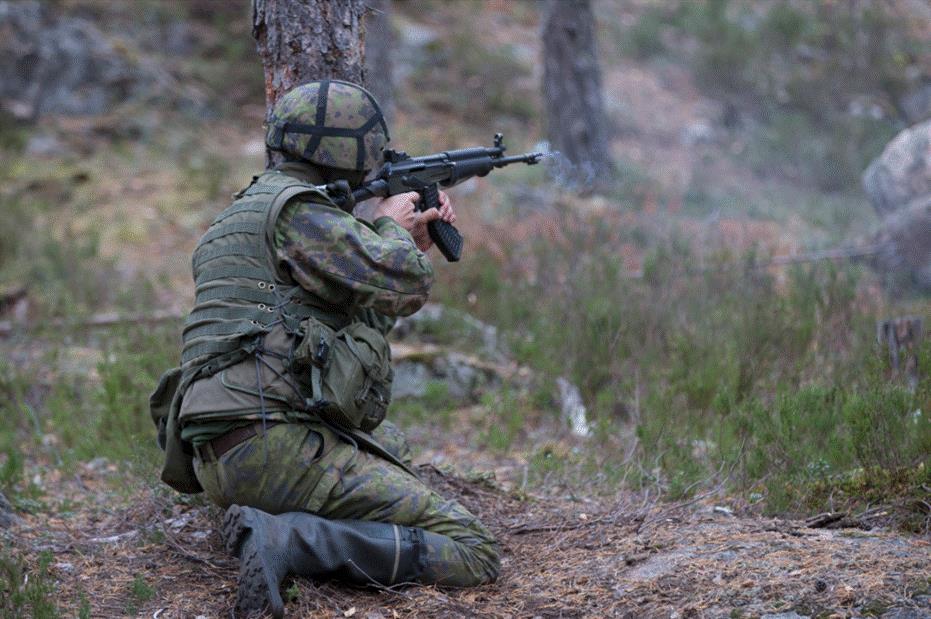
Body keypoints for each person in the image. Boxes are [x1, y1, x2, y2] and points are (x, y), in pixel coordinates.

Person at [166, 80, 500, 617]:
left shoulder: (242, 216)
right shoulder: (302, 214)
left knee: (390, 445)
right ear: (352, 152)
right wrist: (390, 228)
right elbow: (407, 283)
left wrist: (402, 243)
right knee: (472, 550)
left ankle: (282, 528)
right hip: (273, 446)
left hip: (222, 453)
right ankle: (289, 541)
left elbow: (343, 327)